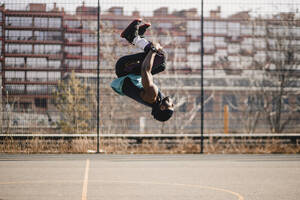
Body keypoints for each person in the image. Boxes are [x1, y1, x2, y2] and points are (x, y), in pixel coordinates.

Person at [111, 19, 174, 122]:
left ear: (162, 107)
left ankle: (133, 37)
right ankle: (138, 37)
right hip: (128, 72)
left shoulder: (152, 95)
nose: (172, 104)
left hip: (124, 68)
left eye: (171, 106)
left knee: (160, 56)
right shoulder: (156, 100)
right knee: (161, 66)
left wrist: (153, 50)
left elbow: (145, 70)